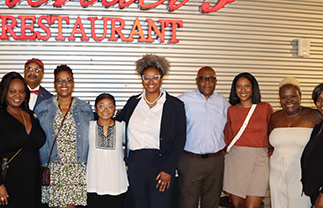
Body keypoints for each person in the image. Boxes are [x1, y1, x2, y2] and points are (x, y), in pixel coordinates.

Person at [117, 54, 186, 208]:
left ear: (161, 78)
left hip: (161, 165)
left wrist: (169, 169)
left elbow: (180, 139)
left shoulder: (175, 105)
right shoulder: (133, 102)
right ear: (142, 79)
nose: (151, 81)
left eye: (155, 77)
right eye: (146, 77)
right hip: (136, 164)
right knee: (138, 204)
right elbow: (116, 123)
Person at [0, 72, 46, 208]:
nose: (18, 95)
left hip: (32, 184)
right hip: (8, 184)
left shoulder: (30, 114)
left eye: (21, 92)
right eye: (12, 91)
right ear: (4, 92)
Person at [36, 65, 93, 208]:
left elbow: (93, 134)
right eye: (59, 80)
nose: (64, 84)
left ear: (73, 83)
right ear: (54, 84)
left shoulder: (84, 108)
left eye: (68, 80)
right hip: (53, 167)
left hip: (76, 166)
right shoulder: (43, 107)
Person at [177, 66, 228, 208]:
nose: (207, 82)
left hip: (216, 161)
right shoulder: (184, 100)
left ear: (215, 81)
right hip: (190, 162)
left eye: (211, 79)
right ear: (197, 81)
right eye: (203, 79)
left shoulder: (222, 102)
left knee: (211, 203)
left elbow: (233, 124)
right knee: (188, 204)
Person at [268, 77, 321, 208]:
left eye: (293, 96)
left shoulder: (314, 116)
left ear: (300, 96)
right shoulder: (275, 117)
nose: (289, 101)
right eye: (284, 97)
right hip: (276, 171)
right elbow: (269, 143)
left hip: (302, 173)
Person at [223, 72, 273, 208]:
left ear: (253, 89)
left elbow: (273, 132)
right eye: (239, 87)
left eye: (247, 86)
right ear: (234, 89)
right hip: (236, 159)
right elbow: (228, 135)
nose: (243, 90)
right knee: (238, 205)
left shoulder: (265, 108)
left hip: (260, 159)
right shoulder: (231, 110)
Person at [86, 93, 128, 208]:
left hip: (116, 182)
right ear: (95, 108)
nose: (106, 109)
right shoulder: (88, 126)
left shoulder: (122, 127)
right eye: (101, 106)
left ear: (114, 109)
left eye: (110, 106)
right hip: (94, 181)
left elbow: (131, 145)